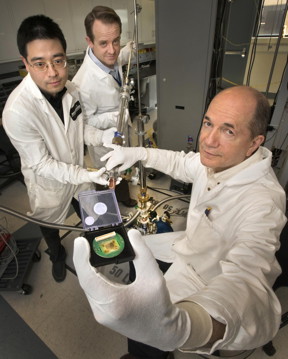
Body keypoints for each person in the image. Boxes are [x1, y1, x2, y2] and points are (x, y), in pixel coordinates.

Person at [73, 85, 287, 358]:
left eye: (228, 130)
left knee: (148, 330)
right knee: (135, 251)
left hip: (207, 281)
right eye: (208, 123)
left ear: (254, 143)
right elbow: (180, 162)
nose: (209, 140)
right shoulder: (220, 161)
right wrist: (138, 153)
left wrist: (188, 326)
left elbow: (247, 281)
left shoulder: (263, 201)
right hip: (187, 248)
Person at [2, 15, 113, 283]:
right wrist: (87, 174)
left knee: (96, 217)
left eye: (58, 60)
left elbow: (79, 128)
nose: (52, 72)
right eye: (40, 64)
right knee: (50, 226)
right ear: (25, 63)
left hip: (78, 173)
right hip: (48, 184)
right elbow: (41, 164)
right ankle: (56, 254)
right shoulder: (17, 111)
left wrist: (104, 136)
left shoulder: (71, 89)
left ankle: (100, 251)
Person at [72, 5, 137, 208]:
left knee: (123, 167)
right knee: (108, 177)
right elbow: (86, 124)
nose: (112, 50)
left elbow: (119, 58)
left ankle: (124, 199)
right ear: (89, 42)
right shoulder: (83, 83)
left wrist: (128, 50)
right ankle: (108, 213)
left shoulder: (112, 56)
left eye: (116, 41)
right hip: (103, 145)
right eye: (104, 43)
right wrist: (117, 115)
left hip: (121, 132)